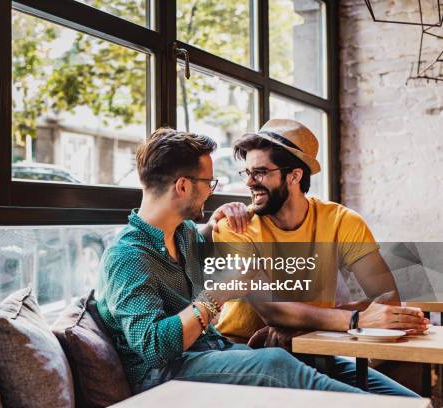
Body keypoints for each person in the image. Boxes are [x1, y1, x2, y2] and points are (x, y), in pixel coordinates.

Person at [95, 127, 368, 396]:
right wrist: (216, 295)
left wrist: (218, 221)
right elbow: (154, 348)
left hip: (212, 352)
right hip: (165, 376)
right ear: (182, 186)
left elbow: (205, 256)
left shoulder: (183, 235)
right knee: (274, 363)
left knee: (317, 363)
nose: (211, 192)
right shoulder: (127, 257)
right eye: (208, 183)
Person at [214, 118, 425, 396]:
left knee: (409, 402)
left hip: (313, 346)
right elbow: (272, 309)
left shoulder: (341, 220)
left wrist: (301, 328)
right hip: (246, 351)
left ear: (294, 175)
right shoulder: (235, 227)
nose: (250, 182)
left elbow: (386, 298)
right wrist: (353, 320)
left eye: (261, 172)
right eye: (248, 172)